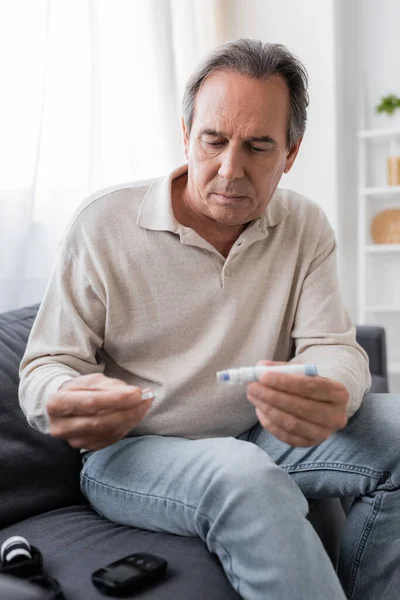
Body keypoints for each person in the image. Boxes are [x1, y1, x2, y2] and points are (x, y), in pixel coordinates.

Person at [18, 39, 400, 600]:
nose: (229, 169)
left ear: (290, 154)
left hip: (257, 433)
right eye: (213, 140)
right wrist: (63, 395)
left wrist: (336, 389)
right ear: (186, 135)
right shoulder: (103, 225)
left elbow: (333, 347)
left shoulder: (305, 226)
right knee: (244, 478)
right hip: (132, 452)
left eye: (258, 146)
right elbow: (45, 365)